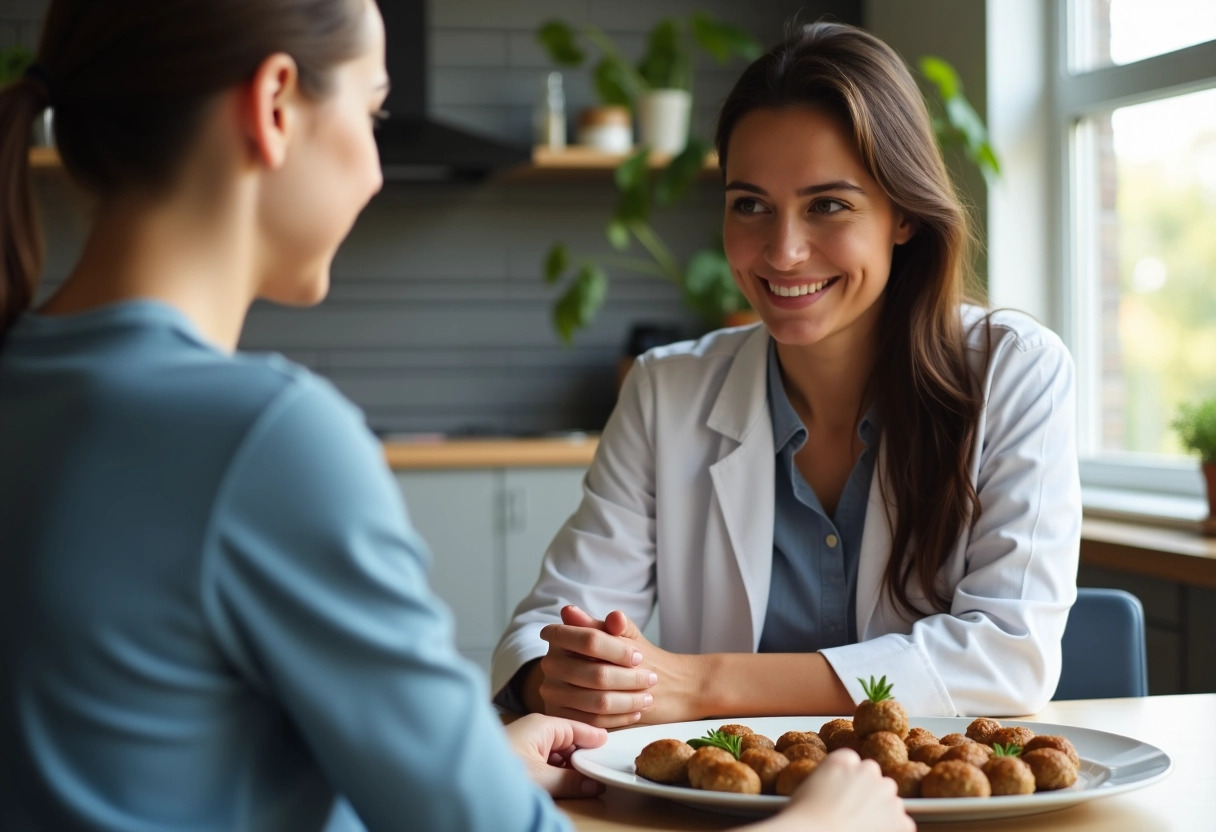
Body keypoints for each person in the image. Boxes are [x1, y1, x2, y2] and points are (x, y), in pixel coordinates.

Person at [0, 2, 913, 831]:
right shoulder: (263, 440)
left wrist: (474, 772)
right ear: (275, 105)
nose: (373, 168)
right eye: (373, 113)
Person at [492, 20, 1081, 728]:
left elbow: (1006, 659)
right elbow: (545, 630)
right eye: (750, 206)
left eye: (827, 205)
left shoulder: (1014, 371)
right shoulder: (664, 390)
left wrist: (703, 686)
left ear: (902, 214)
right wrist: (568, 678)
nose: (783, 250)